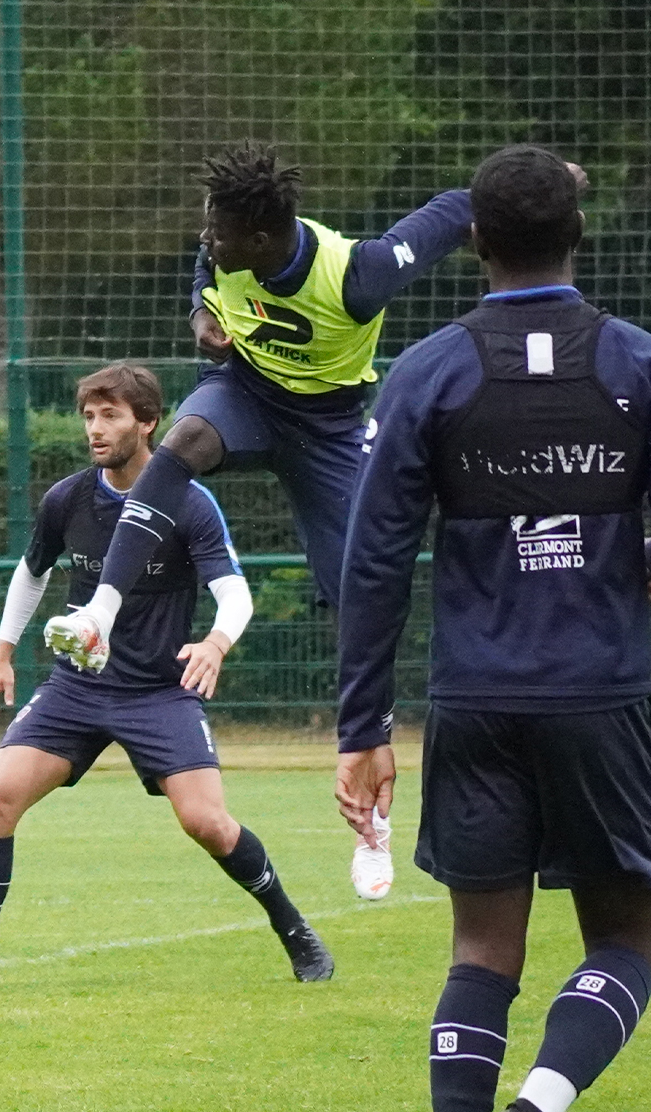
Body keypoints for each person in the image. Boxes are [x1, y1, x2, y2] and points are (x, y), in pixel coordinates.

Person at [335, 145, 651, 1112]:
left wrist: (361, 729)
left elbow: (374, 560)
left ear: (471, 241)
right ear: (577, 234)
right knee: (629, 935)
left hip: (471, 702)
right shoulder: (641, 365)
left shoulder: (427, 370)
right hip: (601, 698)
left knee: (481, 951)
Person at [39, 141, 496, 902]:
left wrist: (536, 187)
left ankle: (371, 818)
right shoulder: (226, 247)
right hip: (245, 397)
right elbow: (202, 270)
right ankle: (100, 615)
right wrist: (198, 312)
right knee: (178, 443)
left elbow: (454, 208)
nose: (206, 242)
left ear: (258, 239)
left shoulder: (358, 276)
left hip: (328, 431)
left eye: (217, 234)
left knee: (362, 591)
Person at [0, 361, 334, 989]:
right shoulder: (68, 498)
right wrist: (2, 654)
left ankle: (296, 932)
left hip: (158, 693)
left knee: (207, 824)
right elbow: (33, 574)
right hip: (77, 689)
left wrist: (217, 643)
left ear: (148, 422)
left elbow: (235, 595)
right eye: (88, 415)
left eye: (110, 414)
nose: (95, 428)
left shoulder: (190, 503)